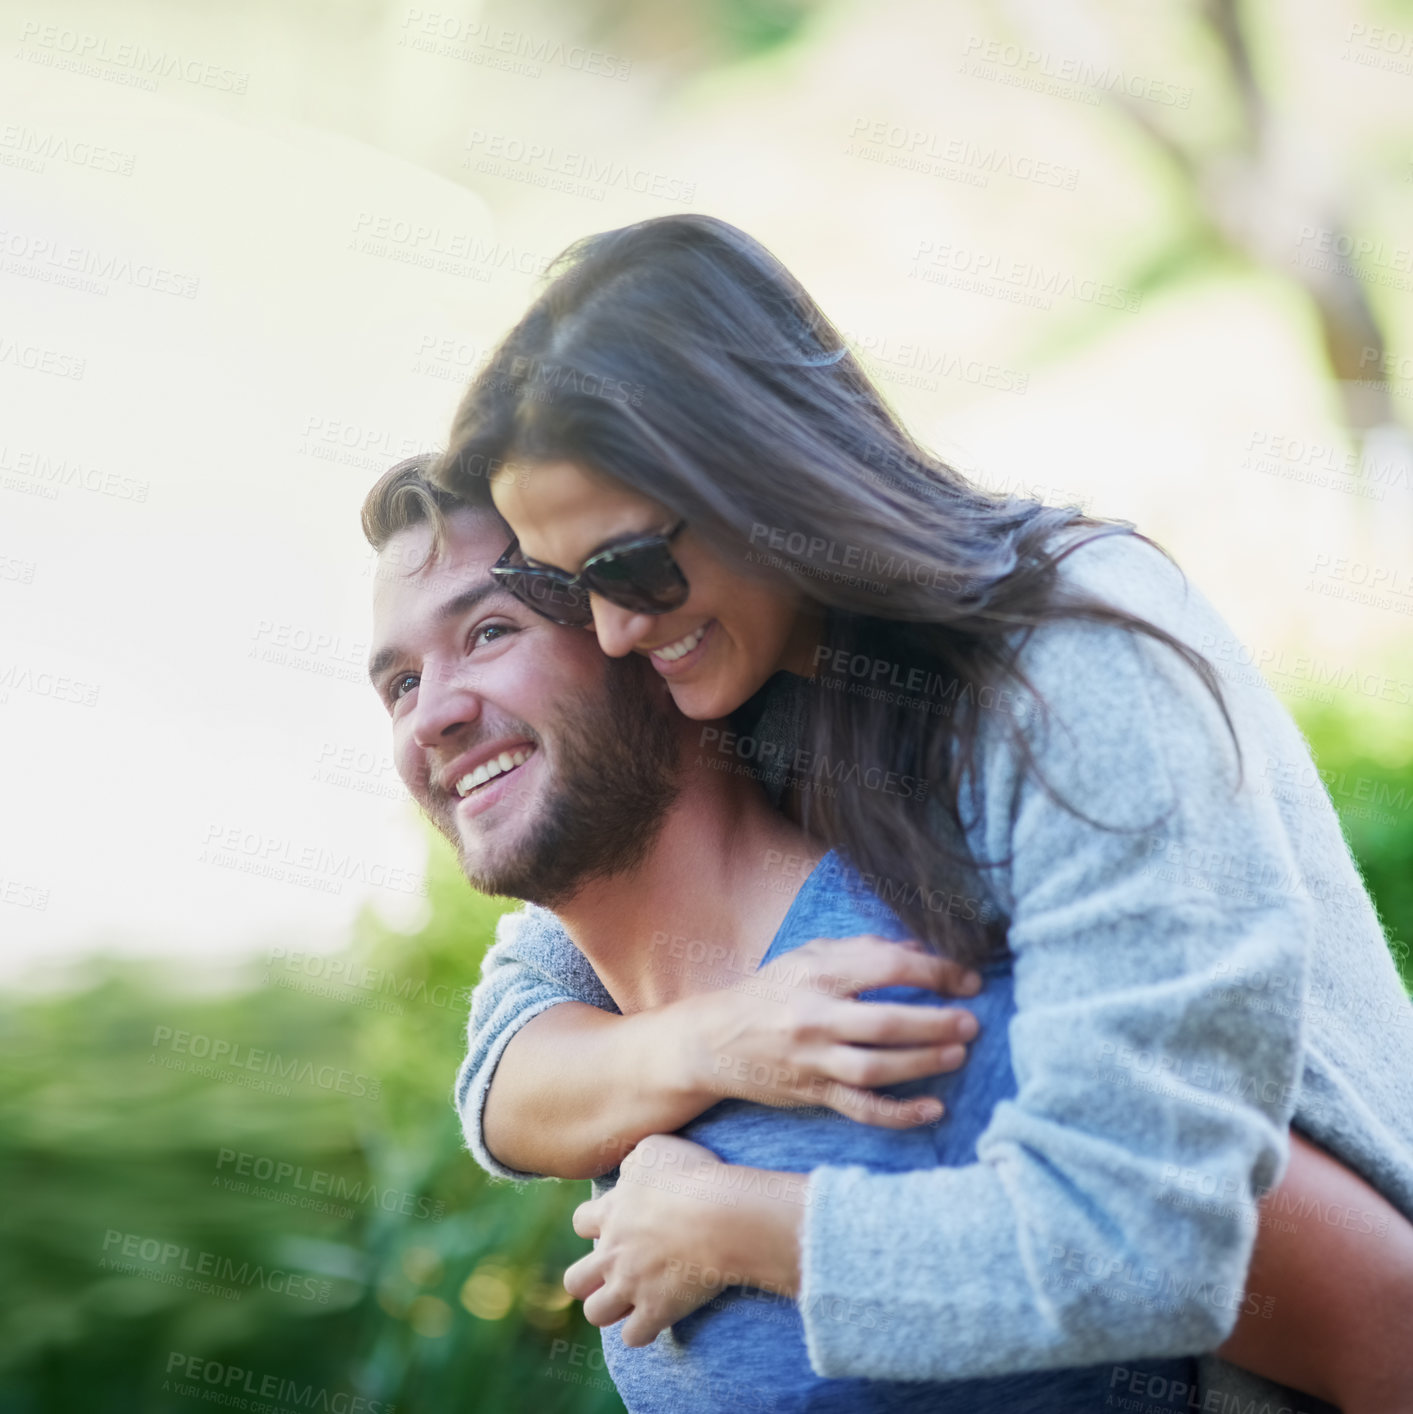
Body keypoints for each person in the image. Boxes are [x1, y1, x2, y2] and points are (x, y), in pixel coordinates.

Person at [426, 214, 1413, 1406]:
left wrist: (734, 1223)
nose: (618, 632)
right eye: (563, 588)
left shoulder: (1072, 667)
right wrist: (721, 1039)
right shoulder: (753, 670)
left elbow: (1146, 1248)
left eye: (632, 570)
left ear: (762, 471)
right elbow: (516, 1030)